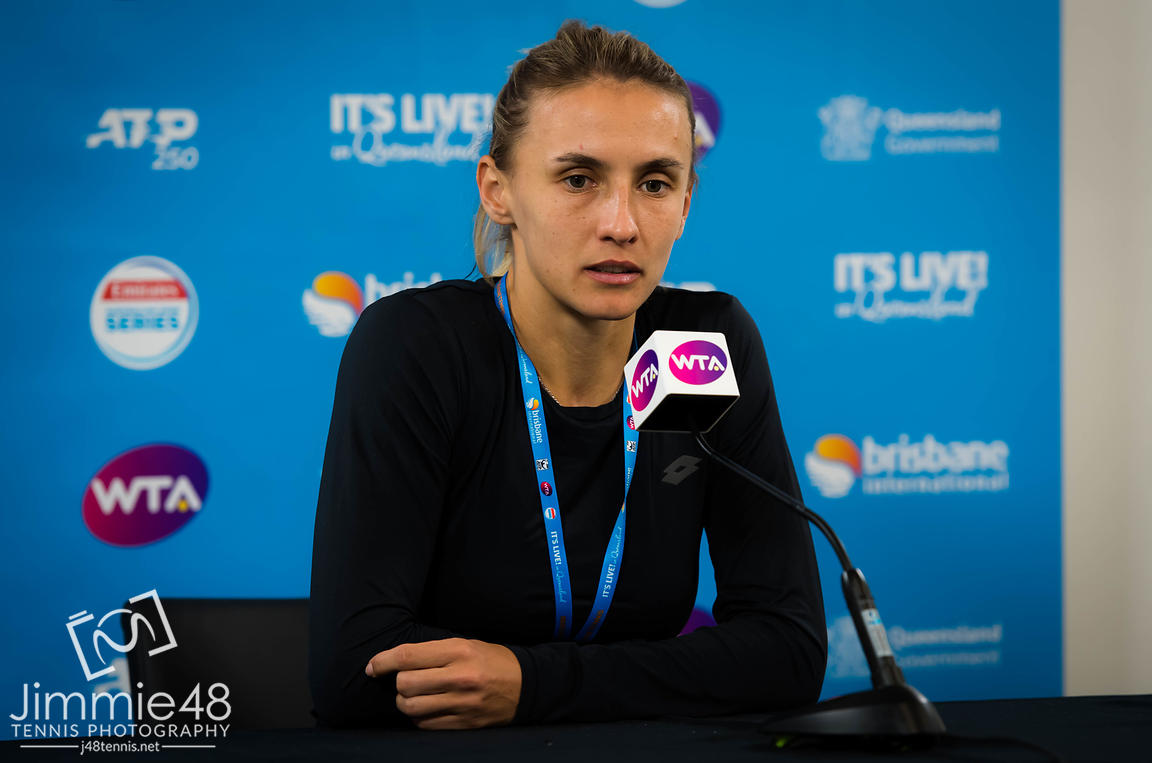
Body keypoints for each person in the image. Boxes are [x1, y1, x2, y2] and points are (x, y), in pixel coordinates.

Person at [309, 20, 826, 730]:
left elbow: (788, 652)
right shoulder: (420, 346)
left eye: (654, 183)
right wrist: (646, 681)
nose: (621, 223)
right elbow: (355, 671)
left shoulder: (695, 347)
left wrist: (531, 685)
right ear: (498, 190)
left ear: (684, 205)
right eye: (579, 179)